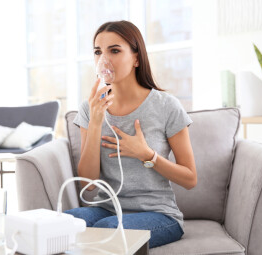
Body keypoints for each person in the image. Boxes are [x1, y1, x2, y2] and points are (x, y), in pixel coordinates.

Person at [67, 20, 197, 248]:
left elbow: (190, 178)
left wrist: (147, 155)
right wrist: (96, 123)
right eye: (98, 52)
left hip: (159, 215)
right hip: (105, 208)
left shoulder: (166, 106)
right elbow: (89, 186)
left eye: (114, 50)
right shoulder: (90, 108)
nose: (104, 60)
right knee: (61, 224)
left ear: (136, 58)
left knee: (106, 232)